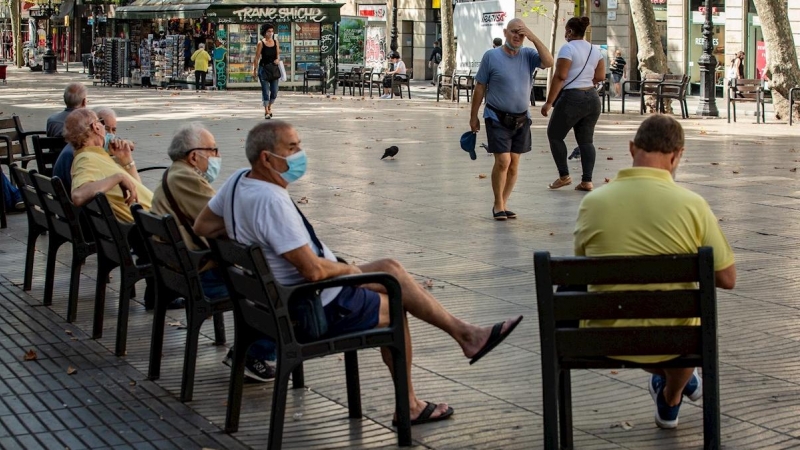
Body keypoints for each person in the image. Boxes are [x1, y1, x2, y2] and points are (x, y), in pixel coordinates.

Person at [194, 120, 524, 426]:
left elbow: (203, 224)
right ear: (267, 158)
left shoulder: (239, 181)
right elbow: (313, 270)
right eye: (292, 148)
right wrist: (348, 268)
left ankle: (467, 334)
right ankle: (411, 403)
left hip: (275, 302)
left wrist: (250, 231)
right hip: (308, 307)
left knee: (391, 269)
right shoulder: (270, 202)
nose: (300, 154)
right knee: (394, 303)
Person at [574, 114, 736, 430]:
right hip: (676, 341)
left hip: (608, 337)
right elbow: (727, 279)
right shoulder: (693, 205)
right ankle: (674, 391)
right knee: (690, 320)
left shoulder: (593, 203)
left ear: (632, 148)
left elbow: (581, 271)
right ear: (677, 155)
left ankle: (675, 391)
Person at [151, 122, 277, 380]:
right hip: (198, 277)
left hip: (180, 270)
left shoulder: (175, 174)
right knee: (272, 286)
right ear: (194, 155)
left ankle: (247, 349)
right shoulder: (184, 177)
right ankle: (251, 354)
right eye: (213, 150)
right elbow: (223, 218)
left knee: (261, 275)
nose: (218, 157)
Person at [469, 18, 554, 220]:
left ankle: (503, 202)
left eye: (522, 33)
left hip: (522, 118)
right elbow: (480, 86)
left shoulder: (528, 55)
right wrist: (473, 117)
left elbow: (549, 62)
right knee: (503, 160)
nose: (517, 36)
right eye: (514, 32)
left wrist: (533, 37)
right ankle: (498, 204)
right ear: (506, 32)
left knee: (514, 163)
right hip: (496, 116)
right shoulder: (491, 56)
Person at [541, 16, 604, 192]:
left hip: (572, 98)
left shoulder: (567, 49)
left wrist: (548, 102)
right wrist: (586, 81)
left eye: (565, 31)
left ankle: (564, 176)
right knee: (586, 141)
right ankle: (587, 181)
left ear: (569, 31)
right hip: (592, 98)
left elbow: (560, 76)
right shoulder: (595, 50)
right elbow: (600, 76)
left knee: (554, 135)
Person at [53, 106, 117, 193]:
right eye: (101, 123)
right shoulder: (80, 157)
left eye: (113, 130)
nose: (109, 134)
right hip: (78, 204)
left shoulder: (76, 149)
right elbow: (80, 193)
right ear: (95, 127)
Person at [253, 23, 281, 120]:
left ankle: (269, 106)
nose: (270, 33)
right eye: (268, 31)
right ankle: (266, 111)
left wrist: (278, 60)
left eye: (272, 31)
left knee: (274, 91)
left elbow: (278, 55)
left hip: (273, 69)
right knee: (265, 90)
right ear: (264, 32)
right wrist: (254, 70)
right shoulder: (261, 43)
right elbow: (256, 57)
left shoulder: (275, 42)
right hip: (263, 69)